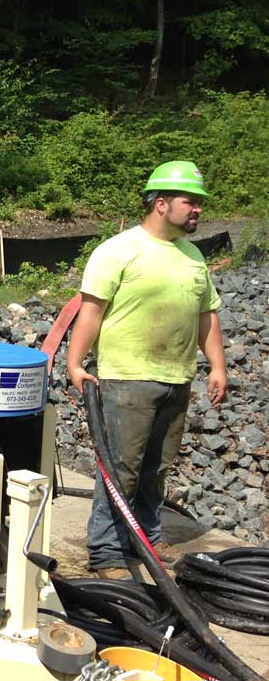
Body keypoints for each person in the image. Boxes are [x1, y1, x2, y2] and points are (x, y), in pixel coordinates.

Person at [67, 160, 227, 581]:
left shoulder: (193, 256)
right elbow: (91, 311)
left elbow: (205, 316)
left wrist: (217, 367)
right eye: (189, 202)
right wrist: (74, 362)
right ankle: (105, 553)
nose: (197, 210)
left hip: (177, 377)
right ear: (160, 203)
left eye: (199, 204)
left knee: (158, 468)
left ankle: (145, 539)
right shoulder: (119, 250)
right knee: (122, 467)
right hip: (126, 377)